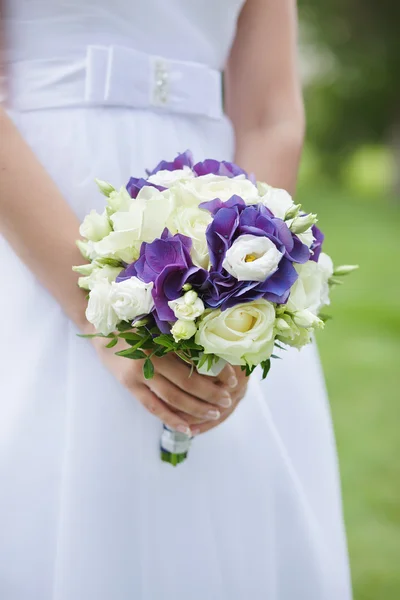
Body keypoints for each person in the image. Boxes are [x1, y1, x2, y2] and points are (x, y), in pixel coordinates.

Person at [0, 1, 352, 598]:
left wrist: (241, 285)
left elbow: (270, 115)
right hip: (42, 201)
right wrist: (106, 320)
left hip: (219, 204)